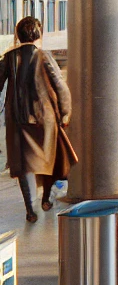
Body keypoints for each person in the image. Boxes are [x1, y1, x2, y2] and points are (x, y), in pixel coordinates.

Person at [0, 17, 73, 222]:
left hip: (18, 119)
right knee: (48, 159)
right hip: (45, 118)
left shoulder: (9, 58)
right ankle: (46, 198)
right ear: (39, 35)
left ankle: (29, 209)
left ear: (17, 35)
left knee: (23, 164)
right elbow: (60, 85)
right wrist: (65, 111)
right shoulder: (44, 56)